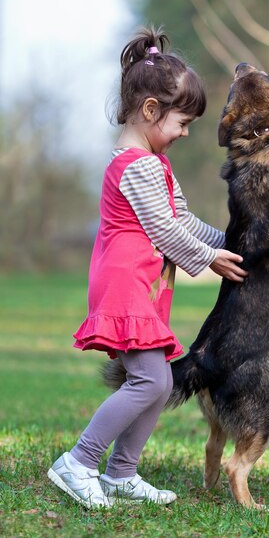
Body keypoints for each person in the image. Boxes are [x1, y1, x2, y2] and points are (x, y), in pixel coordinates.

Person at [48, 27, 247, 509]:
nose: (184, 133)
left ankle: (121, 473)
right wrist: (210, 260)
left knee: (156, 383)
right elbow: (163, 233)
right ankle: (78, 462)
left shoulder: (154, 163)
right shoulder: (134, 166)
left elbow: (182, 219)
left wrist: (232, 243)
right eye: (182, 122)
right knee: (152, 381)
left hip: (143, 285)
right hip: (123, 284)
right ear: (151, 111)